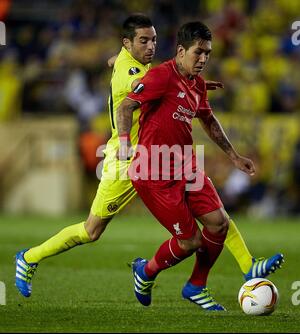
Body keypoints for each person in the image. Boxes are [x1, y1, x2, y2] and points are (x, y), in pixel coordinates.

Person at [15, 15, 283, 299]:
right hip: (127, 160)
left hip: (160, 159)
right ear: (127, 43)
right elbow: (159, 81)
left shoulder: (127, 61)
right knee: (91, 231)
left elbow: (128, 65)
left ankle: (247, 266)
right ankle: (29, 257)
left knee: (213, 214)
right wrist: (192, 81)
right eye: (143, 40)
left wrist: (193, 80)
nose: (151, 46)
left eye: (153, 39)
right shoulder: (138, 75)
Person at [116, 21, 283, 310]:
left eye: (208, 53)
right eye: (198, 52)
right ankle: (145, 272)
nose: (204, 59)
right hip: (155, 173)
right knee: (190, 240)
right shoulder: (161, 77)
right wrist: (122, 141)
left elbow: (207, 119)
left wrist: (233, 156)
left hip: (186, 167)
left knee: (219, 224)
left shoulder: (197, 85)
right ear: (181, 51)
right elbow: (125, 106)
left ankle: (196, 285)